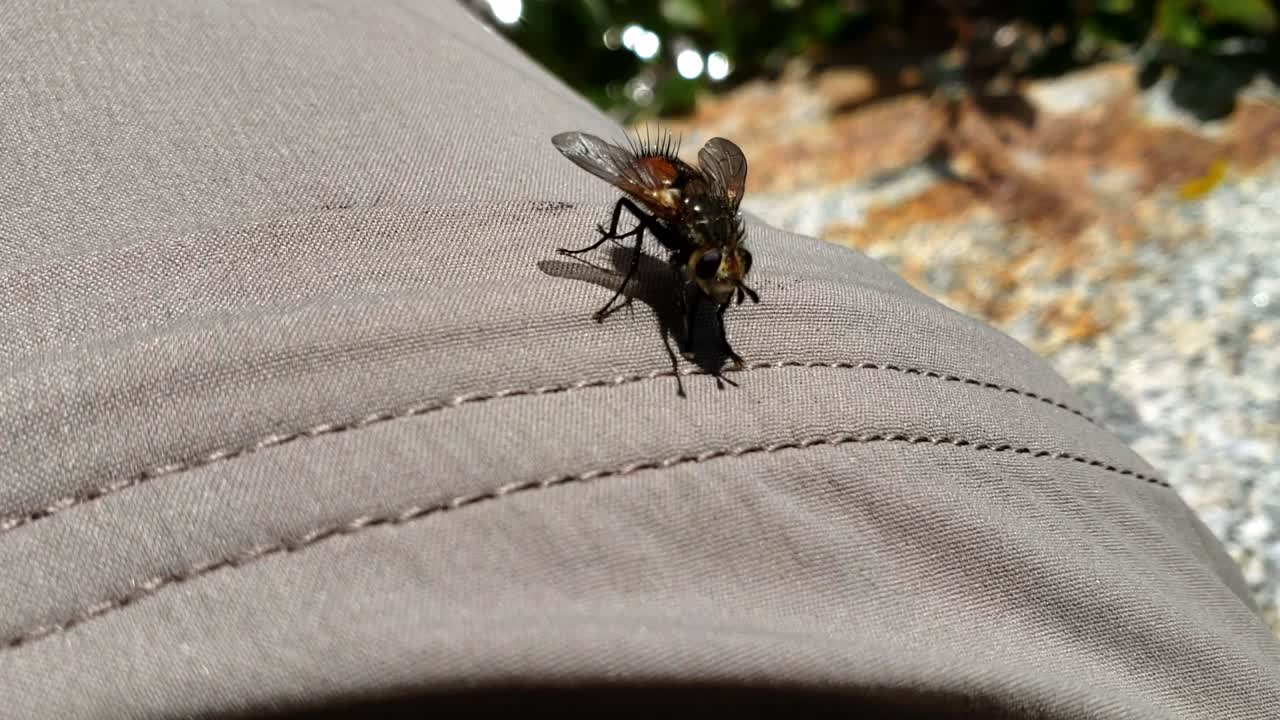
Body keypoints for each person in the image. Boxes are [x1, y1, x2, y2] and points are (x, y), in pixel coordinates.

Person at [1, 2, 1276, 718]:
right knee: (618, 231)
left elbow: (720, 203)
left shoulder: (720, 235)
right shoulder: (675, 220)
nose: (718, 289)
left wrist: (717, 277)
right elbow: (662, 201)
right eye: (715, 276)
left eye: (718, 279)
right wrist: (654, 264)